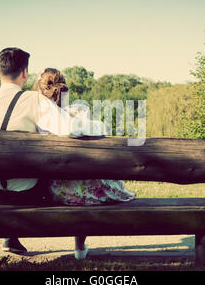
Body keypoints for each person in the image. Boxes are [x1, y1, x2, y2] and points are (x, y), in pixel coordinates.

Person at [0, 47, 100, 259]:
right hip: (26, 193)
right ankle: (79, 244)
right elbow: (69, 129)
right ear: (24, 72)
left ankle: (11, 237)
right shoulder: (33, 100)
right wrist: (96, 126)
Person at [34, 68, 137, 258]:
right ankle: (79, 248)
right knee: (83, 179)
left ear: (40, 92)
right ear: (64, 89)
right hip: (87, 189)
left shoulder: (37, 118)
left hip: (54, 191)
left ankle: (11, 238)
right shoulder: (78, 111)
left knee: (72, 181)